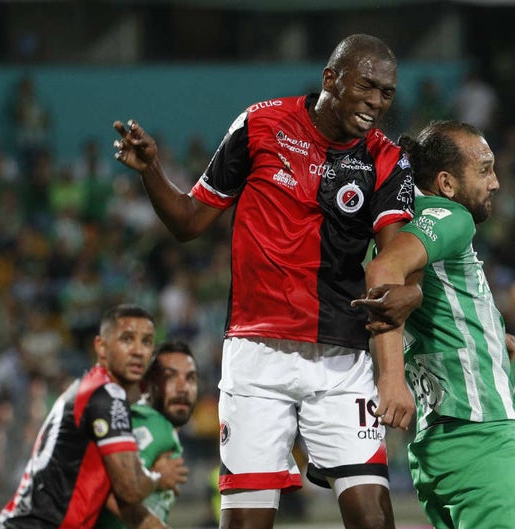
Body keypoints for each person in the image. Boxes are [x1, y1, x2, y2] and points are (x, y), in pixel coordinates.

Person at [112, 33, 417, 529]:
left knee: (373, 519)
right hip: (256, 357)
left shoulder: (386, 159)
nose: (376, 102)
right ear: (331, 78)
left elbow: (396, 264)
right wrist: (151, 171)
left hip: (342, 360)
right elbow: (189, 220)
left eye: (386, 93)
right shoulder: (260, 125)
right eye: (366, 86)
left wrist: (393, 367)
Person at [352, 120, 515, 529]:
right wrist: (391, 380)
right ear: (446, 183)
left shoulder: (394, 228)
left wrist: (489, 336)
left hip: (438, 446)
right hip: (482, 439)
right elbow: (384, 273)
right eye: (484, 170)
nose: (495, 182)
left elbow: (417, 301)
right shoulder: (452, 217)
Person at [0, 304, 188, 529]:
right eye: (127, 339)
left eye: (146, 342)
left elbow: (120, 501)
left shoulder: (89, 390)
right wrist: (158, 476)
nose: (138, 351)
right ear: (101, 347)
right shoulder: (107, 395)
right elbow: (131, 488)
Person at [96, 340, 199, 529]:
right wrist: (155, 477)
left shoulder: (154, 426)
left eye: (190, 378)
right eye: (170, 377)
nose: (183, 388)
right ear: (146, 386)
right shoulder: (153, 424)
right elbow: (107, 488)